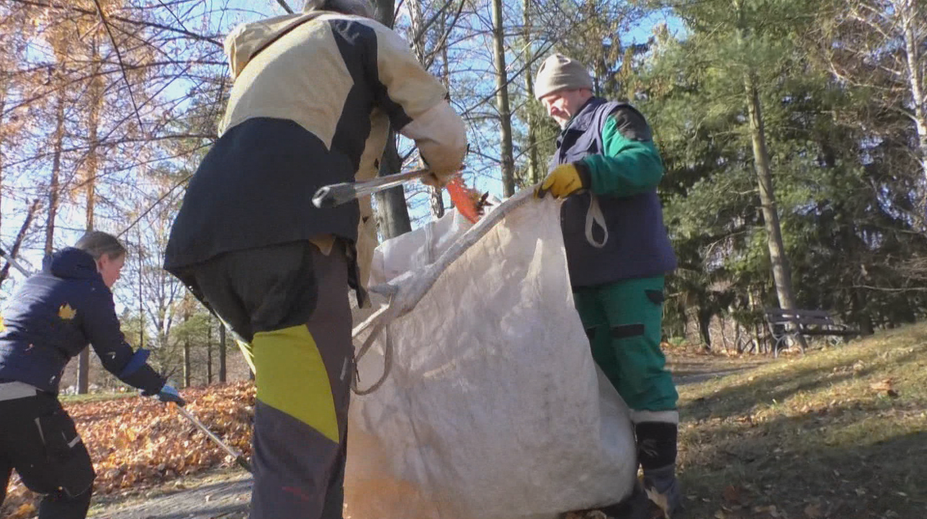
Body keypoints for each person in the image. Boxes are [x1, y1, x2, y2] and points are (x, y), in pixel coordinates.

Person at [162, 0, 467, 517]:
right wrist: (445, 168)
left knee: (311, 424)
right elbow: (445, 136)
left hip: (204, 245)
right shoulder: (358, 33)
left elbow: (311, 170)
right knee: (301, 449)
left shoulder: (261, 61)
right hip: (293, 238)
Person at [533, 54, 682, 517]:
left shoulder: (613, 117)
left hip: (629, 270)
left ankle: (661, 483)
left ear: (578, 87)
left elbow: (645, 163)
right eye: (543, 101)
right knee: (605, 384)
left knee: (638, 370)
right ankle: (622, 483)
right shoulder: (565, 143)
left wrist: (588, 173)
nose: (550, 107)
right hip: (586, 281)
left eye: (554, 96)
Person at [0, 231, 183, 519]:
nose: (118, 276)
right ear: (103, 260)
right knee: (72, 485)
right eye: (119, 268)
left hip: (12, 385)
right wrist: (157, 385)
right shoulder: (91, 289)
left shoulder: (33, 282)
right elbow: (115, 356)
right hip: (23, 392)